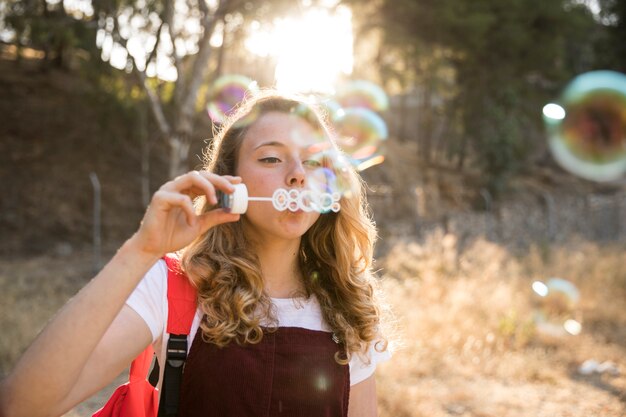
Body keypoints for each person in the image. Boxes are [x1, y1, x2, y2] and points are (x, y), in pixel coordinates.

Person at [0, 90, 391, 417]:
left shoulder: (347, 309)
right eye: (271, 157)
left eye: (312, 160)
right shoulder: (173, 288)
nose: (297, 174)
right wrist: (141, 250)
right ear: (229, 181)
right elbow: (21, 406)